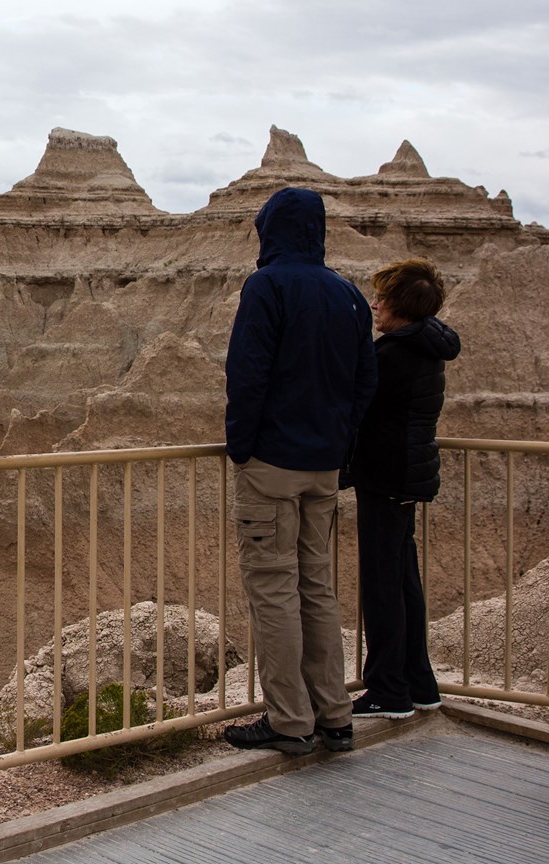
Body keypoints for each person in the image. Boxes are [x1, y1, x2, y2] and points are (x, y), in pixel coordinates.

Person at [223, 186, 377, 755]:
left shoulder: (267, 286)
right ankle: (334, 715)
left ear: (272, 229)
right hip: (324, 467)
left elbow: (248, 374)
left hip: (272, 465)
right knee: (317, 587)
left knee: (273, 590)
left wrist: (242, 447)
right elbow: (366, 382)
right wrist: (339, 440)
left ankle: (289, 721)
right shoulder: (349, 295)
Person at [345, 259, 460, 719]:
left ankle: (387, 691)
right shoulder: (429, 346)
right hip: (408, 477)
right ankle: (420, 683)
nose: (375, 304)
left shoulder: (393, 354)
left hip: (387, 477)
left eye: (383, 299)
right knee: (403, 579)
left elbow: (358, 404)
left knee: (382, 586)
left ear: (402, 307)